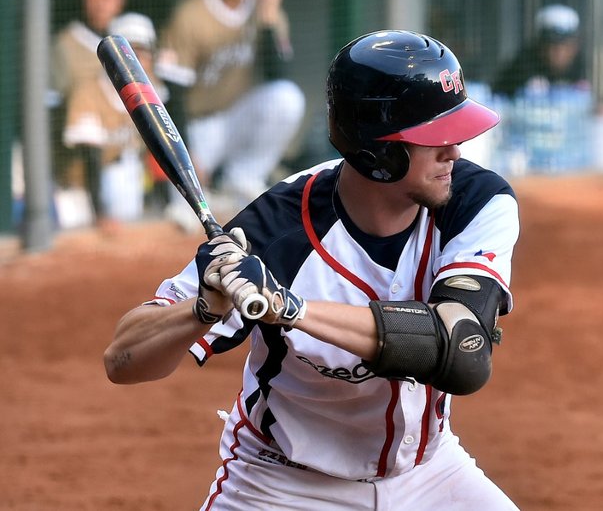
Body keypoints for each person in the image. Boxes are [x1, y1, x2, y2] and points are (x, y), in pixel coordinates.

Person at [103, 30, 520, 510]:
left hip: (430, 476)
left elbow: (462, 354)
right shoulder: (275, 231)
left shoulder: (474, 201)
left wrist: (291, 309)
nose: (455, 153)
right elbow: (122, 361)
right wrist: (202, 308)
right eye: (434, 138)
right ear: (378, 150)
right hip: (281, 487)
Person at [156, 0, 305, 212]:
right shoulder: (191, 14)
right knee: (184, 207)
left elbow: (278, 76)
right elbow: (171, 93)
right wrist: (186, 153)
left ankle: (244, 176)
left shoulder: (266, 10)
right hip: (198, 126)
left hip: (239, 117)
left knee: (287, 97)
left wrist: (269, 18)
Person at [50, 0, 128, 227]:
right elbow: (49, 116)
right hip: (73, 170)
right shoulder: (64, 45)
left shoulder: (132, 42)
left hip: (122, 163)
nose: (100, 1)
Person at [63, 12, 160, 229]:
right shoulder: (88, 92)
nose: (138, 61)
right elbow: (90, 159)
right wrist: (100, 213)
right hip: (78, 189)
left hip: (128, 182)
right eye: (132, 52)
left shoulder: (153, 89)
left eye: (143, 52)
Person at [491, 4, 587, 98]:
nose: (559, 53)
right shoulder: (523, 66)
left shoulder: (579, 66)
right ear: (540, 46)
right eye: (553, 46)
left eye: (565, 47)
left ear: (575, 47)